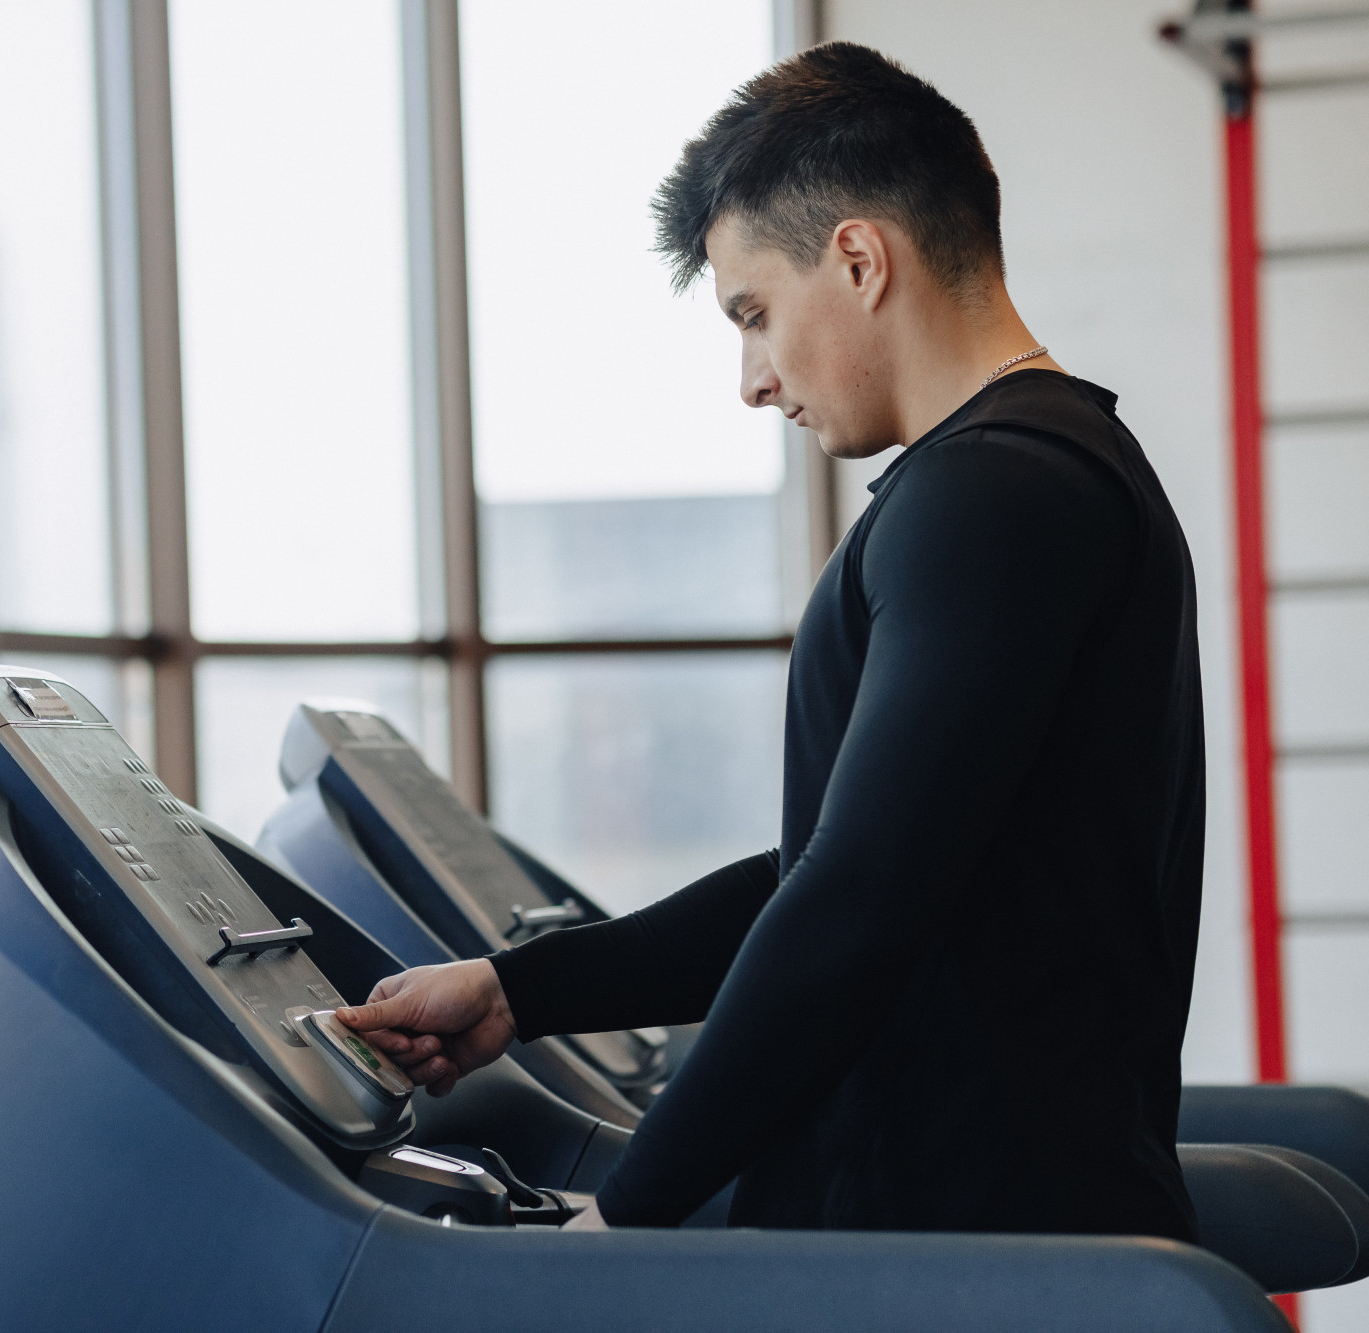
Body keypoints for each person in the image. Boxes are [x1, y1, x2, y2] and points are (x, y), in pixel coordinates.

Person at [337, 41, 1205, 1240]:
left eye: (753, 314)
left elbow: (851, 903)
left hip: (958, 1254)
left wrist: (628, 1216)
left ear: (855, 258)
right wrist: (518, 991)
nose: (751, 379)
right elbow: (833, 866)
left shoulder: (991, 499)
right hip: (970, 1229)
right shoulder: (1037, 479)